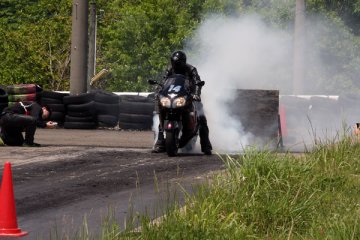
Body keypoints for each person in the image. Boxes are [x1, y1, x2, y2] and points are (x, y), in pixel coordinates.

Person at [152, 50, 213, 155]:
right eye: (175, 63)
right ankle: (161, 143)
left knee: (201, 118)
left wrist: (197, 94)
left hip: (190, 96)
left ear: (183, 62)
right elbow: (163, 82)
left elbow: (198, 82)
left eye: (178, 63)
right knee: (162, 112)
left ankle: (206, 145)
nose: (176, 65)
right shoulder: (169, 70)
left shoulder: (191, 69)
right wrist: (158, 92)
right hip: (173, 97)